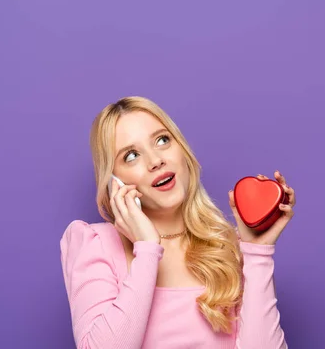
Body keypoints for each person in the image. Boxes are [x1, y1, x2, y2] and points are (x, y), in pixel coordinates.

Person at [60, 96, 295, 348]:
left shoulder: (227, 248)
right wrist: (147, 249)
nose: (155, 161)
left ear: (181, 149)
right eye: (131, 155)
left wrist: (258, 252)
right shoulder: (95, 244)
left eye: (162, 140)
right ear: (114, 181)